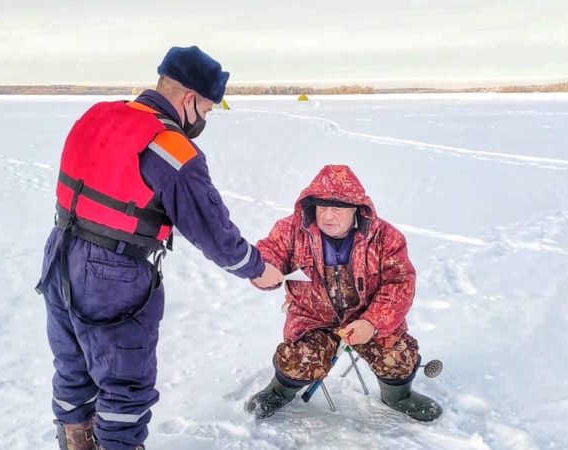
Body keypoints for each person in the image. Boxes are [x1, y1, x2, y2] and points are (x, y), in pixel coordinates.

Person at [35, 46, 284, 450]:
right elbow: (214, 232)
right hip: (112, 273)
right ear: (189, 98)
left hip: (60, 253)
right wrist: (257, 268)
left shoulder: (98, 115)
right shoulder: (170, 148)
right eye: (206, 108)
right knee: (123, 390)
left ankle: (75, 441)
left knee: (73, 371)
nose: (204, 119)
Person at [245, 164, 442, 422]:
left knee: (399, 356)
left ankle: (398, 396)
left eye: (337, 208)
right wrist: (261, 270)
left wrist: (372, 323)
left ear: (356, 210)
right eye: (322, 207)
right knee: (297, 359)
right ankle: (279, 391)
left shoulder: (386, 237)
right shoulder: (290, 230)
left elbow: (400, 284)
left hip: (366, 319)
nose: (328, 216)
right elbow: (268, 252)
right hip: (312, 319)